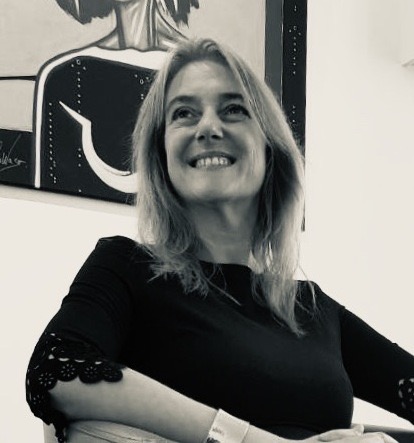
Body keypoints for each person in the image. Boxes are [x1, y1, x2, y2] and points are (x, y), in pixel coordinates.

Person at [26, 38, 414, 443]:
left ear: (270, 149)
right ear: (162, 155)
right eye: (184, 113)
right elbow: (55, 370)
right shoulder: (126, 268)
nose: (208, 128)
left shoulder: (313, 309)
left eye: (233, 110)